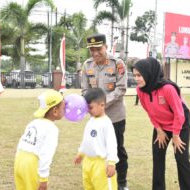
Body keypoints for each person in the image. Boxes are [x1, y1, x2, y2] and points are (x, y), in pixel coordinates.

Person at [132, 57, 190, 190]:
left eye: (139, 75)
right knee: (157, 158)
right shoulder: (140, 90)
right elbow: (150, 112)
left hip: (180, 125)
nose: (136, 79)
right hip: (160, 126)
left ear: (149, 73)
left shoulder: (167, 88)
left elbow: (180, 114)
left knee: (182, 159)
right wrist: (159, 130)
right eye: (135, 75)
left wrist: (175, 135)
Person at [81, 33, 128, 190]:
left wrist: (101, 104)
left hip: (115, 117)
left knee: (117, 150)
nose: (95, 53)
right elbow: (85, 90)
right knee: (98, 148)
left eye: (98, 49)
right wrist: (91, 106)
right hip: (95, 118)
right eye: (91, 50)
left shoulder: (117, 64)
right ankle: (98, 178)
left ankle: (121, 183)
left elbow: (121, 88)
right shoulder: (87, 65)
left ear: (106, 47)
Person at [14, 90, 65, 190]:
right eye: (63, 108)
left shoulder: (33, 122)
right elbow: (46, 155)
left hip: (19, 160)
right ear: (55, 111)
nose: (65, 111)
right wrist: (43, 178)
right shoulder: (52, 129)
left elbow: (21, 142)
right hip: (32, 165)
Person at [74, 88, 119, 190]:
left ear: (102, 105)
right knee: (89, 186)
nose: (88, 110)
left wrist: (111, 162)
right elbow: (86, 140)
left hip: (101, 165)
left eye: (90, 107)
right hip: (88, 163)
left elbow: (112, 144)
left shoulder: (106, 123)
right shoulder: (91, 121)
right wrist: (81, 153)